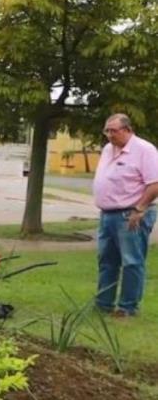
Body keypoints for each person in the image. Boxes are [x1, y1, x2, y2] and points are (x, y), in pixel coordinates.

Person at [93, 113, 158, 317]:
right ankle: (104, 303)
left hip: (131, 214)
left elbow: (154, 183)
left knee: (131, 261)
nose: (110, 135)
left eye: (114, 131)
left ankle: (128, 308)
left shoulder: (144, 150)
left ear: (128, 130)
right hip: (107, 214)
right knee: (106, 260)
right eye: (107, 131)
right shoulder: (107, 149)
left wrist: (140, 208)